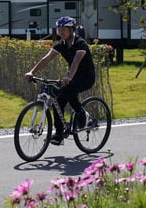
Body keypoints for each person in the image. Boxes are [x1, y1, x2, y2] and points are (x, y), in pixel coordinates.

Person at [25, 16, 95, 145]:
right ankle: (58, 134)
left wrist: (69, 77)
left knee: (68, 91)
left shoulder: (80, 43)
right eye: (59, 29)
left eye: (64, 29)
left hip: (86, 77)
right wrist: (32, 72)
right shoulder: (61, 45)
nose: (61, 32)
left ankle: (82, 115)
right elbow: (46, 59)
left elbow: (76, 61)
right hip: (72, 77)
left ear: (71, 30)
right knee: (57, 102)